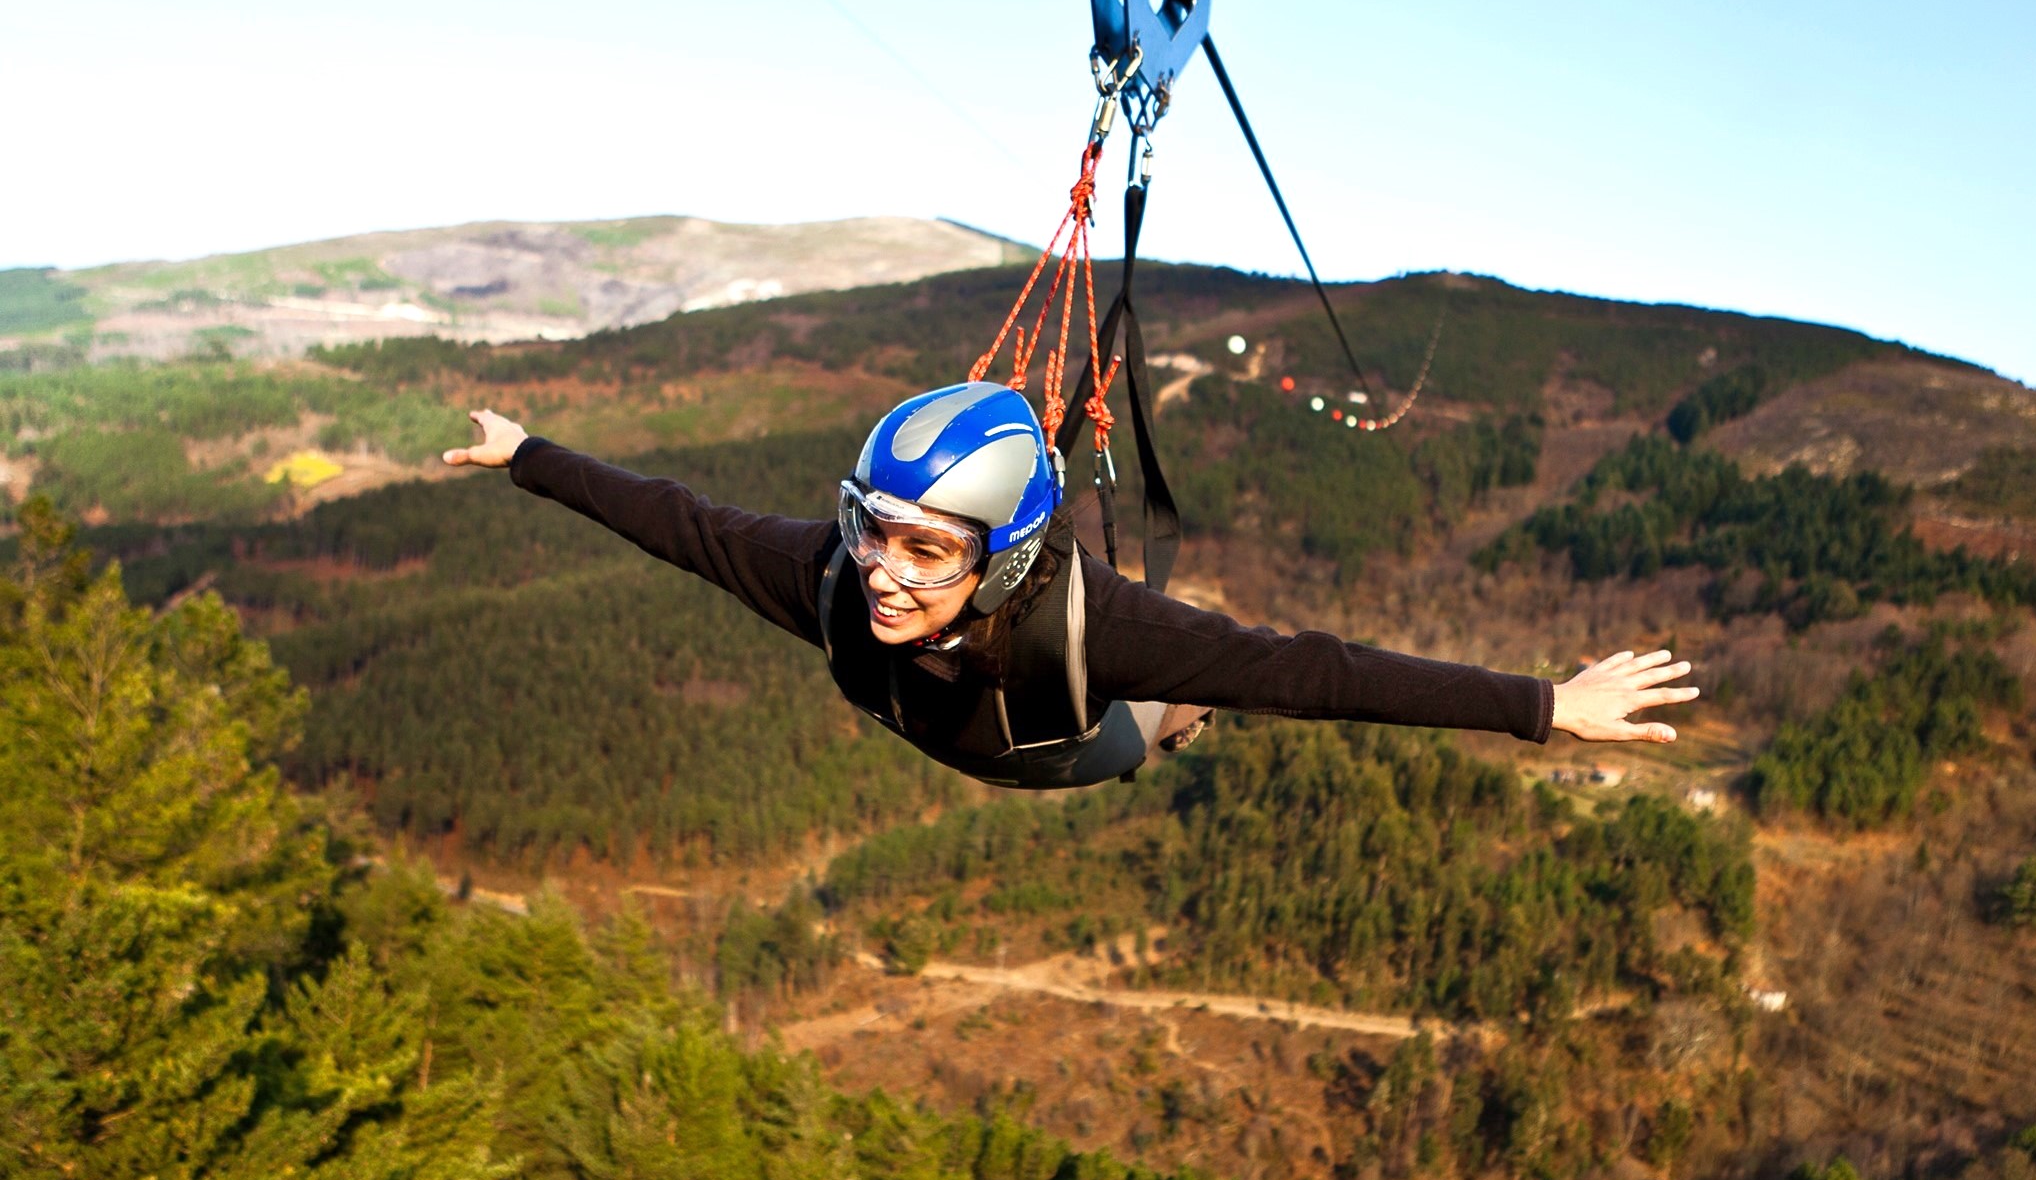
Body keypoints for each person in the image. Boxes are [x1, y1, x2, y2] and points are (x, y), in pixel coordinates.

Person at [445, 381, 1697, 788]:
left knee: (1186, 686)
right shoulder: (826, 579)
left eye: (925, 548)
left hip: (1064, 737)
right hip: (957, 720)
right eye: (869, 527)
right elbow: (676, 519)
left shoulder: (1094, 629)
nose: (881, 569)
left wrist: (1544, 706)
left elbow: (1319, 671)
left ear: (1005, 560)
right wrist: (528, 459)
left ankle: (1177, 708)